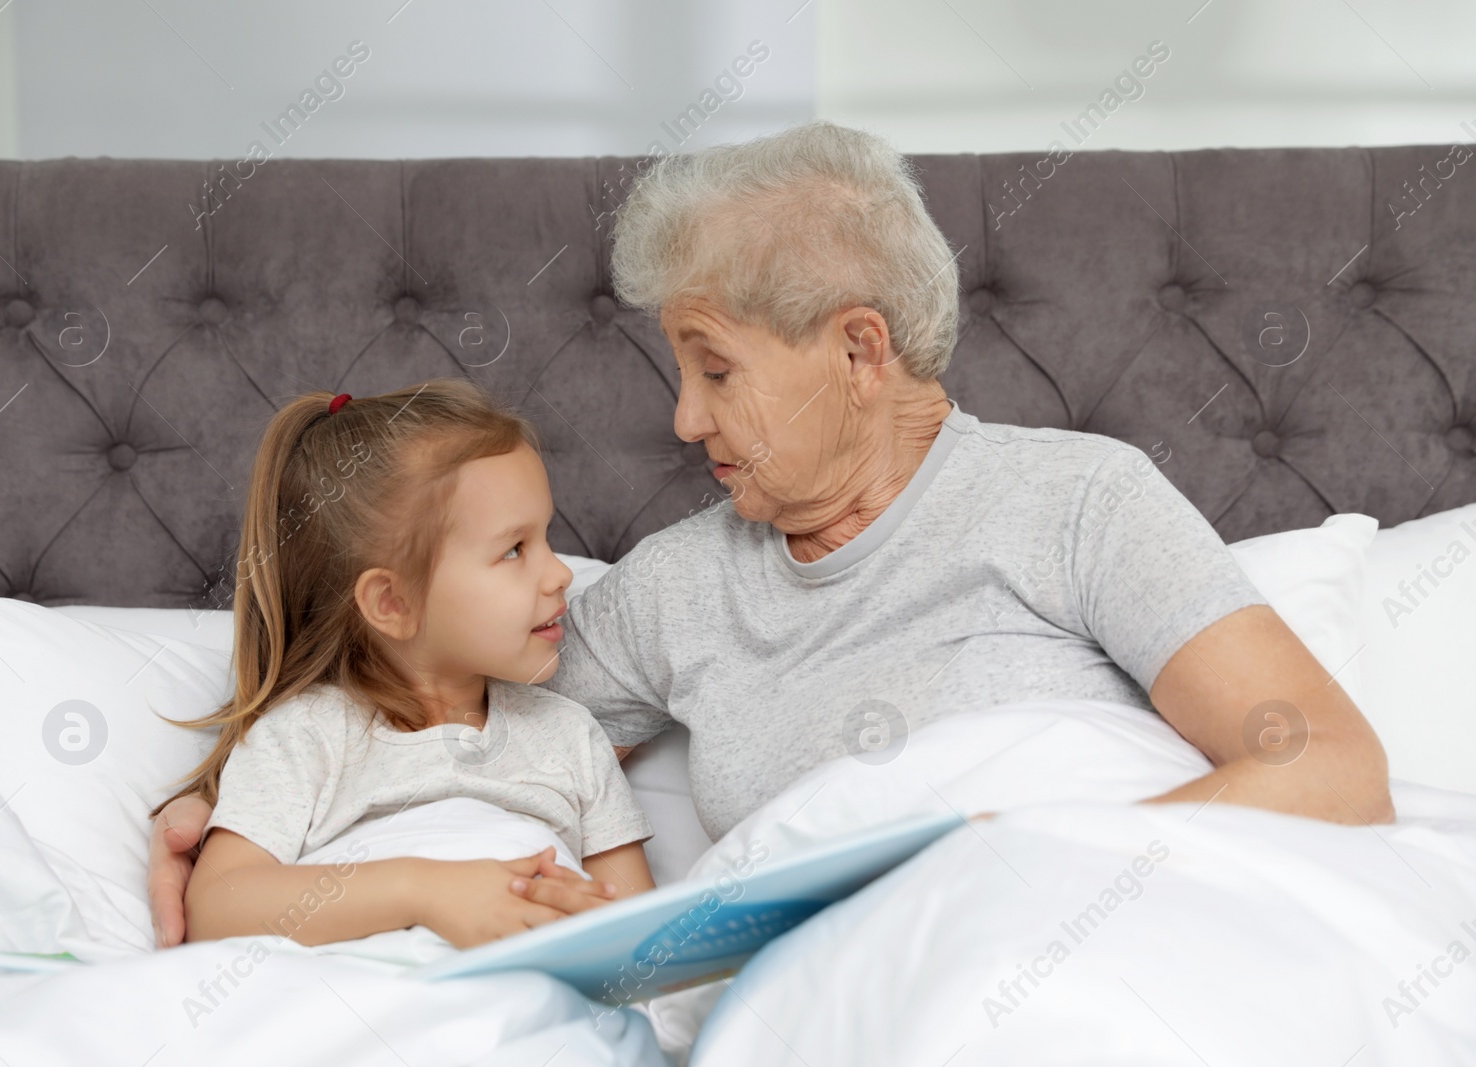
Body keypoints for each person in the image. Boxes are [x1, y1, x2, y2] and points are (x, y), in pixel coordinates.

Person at [149, 121, 1392, 946]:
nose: (684, 418)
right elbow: (428, 694)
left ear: (858, 348)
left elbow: (1328, 769)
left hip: (1088, 945)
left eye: (715, 368)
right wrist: (213, 806)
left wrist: (1004, 866)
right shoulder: (675, 588)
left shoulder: (1077, 501)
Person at [153, 380, 655, 950]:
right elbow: (219, 908)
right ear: (393, 603)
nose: (560, 573)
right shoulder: (308, 736)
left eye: (546, 538)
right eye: (515, 549)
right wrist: (425, 891)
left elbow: (644, 943)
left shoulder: (570, 738)